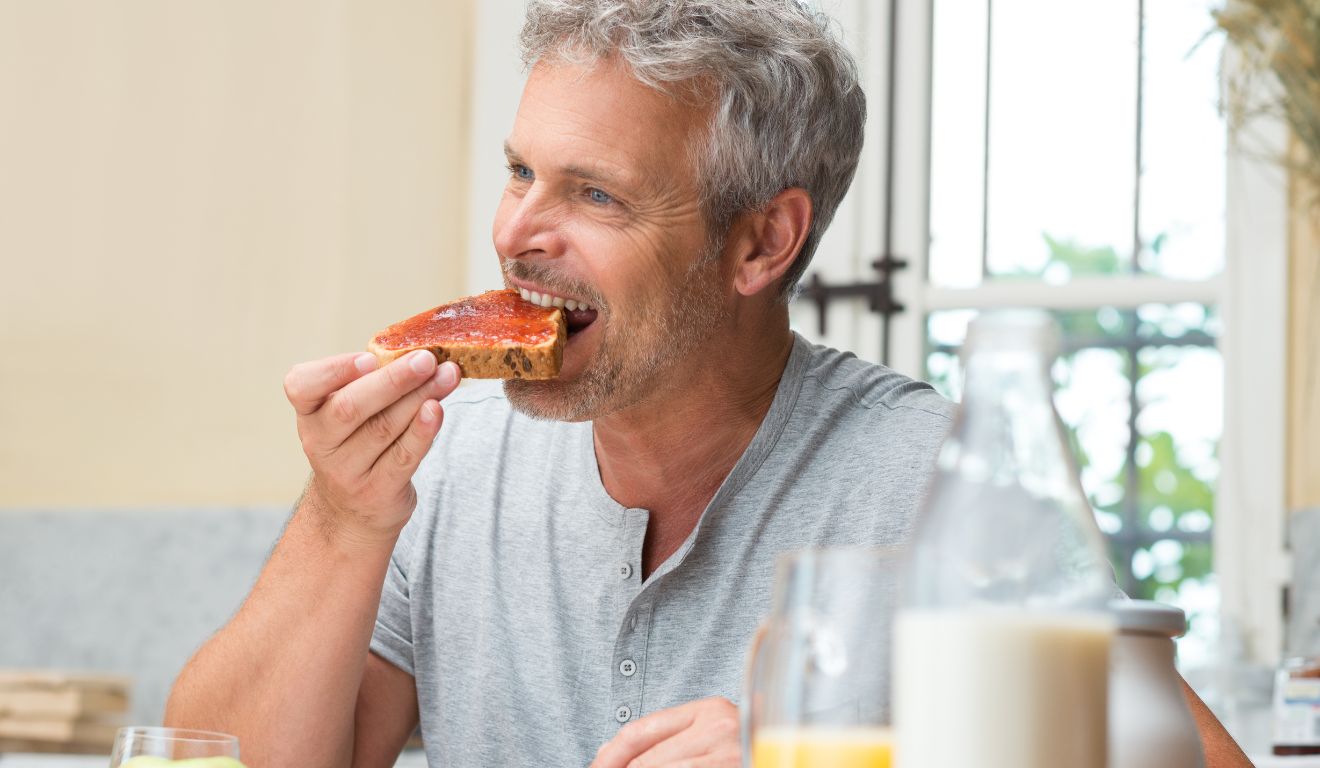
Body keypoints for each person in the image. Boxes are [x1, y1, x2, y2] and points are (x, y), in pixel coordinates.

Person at [165, 2, 1254, 766]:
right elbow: (217, 767)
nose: (516, 236)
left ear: (759, 243)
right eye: (519, 173)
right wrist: (343, 519)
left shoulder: (935, 477)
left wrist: (838, 761)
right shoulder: (450, 466)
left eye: (593, 194)